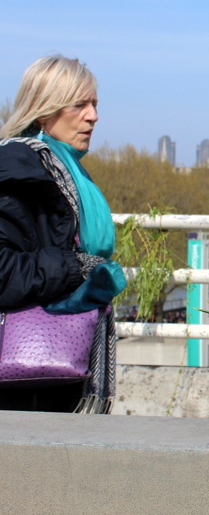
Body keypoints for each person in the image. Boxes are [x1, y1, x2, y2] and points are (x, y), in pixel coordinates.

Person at [0, 55, 126, 413]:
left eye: (95, 104)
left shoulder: (62, 171)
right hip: (22, 384)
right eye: (80, 104)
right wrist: (76, 267)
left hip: (56, 367)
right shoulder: (18, 171)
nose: (93, 116)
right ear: (43, 111)